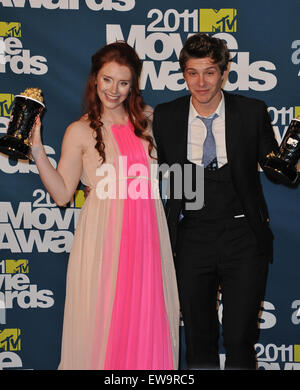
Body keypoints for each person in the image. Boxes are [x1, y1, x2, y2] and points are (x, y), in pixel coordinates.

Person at [29, 41, 179, 370]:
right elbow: (62, 194)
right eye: (107, 80)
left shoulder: (151, 121)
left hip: (147, 242)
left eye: (123, 82)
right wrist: (38, 150)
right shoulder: (79, 131)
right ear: (95, 79)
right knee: (100, 325)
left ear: (133, 84)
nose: (114, 90)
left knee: (147, 323)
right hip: (103, 244)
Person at [152, 33, 280, 370]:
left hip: (244, 235)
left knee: (240, 338)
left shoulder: (251, 112)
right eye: (192, 73)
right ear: (183, 74)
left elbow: (277, 170)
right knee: (198, 337)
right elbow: (148, 168)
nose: (201, 82)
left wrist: (291, 163)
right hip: (191, 235)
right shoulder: (166, 116)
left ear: (224, 72)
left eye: (209, 72)